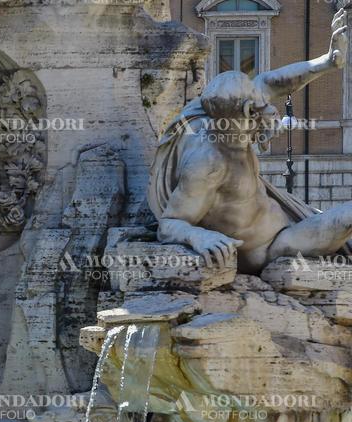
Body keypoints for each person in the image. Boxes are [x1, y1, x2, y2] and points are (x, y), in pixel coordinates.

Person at [148, 7, 350, 274]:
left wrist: (327, 62)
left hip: (289, 219)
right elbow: (170, 223)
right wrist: (200, 237)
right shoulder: (208, 164)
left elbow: (275, 81)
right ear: (246, 112)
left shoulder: (222, 112)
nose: (271, 107)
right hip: (273, 247)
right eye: (262, 103)